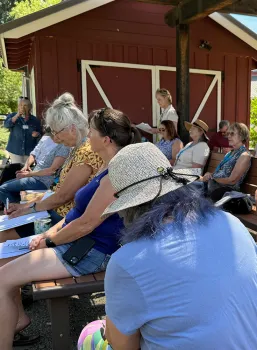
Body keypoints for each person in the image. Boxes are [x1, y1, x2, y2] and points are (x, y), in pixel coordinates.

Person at [77, 142, 257, 350]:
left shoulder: (129, 261)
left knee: (90, 335)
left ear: (127, 207)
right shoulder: (230, 223)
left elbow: (123, 346)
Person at [0, 107, 141, 349]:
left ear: (106, 139)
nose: (89, 135)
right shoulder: (107, 166)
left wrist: (49, 241)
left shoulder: (115, 174)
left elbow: (86, 224)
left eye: (93, 131)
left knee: (3, 277)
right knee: (4, 267)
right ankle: (15, 321)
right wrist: (48, 233)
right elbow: (77, 213)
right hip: (78, 243)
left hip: (92, 252)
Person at [3, 92, 103, 241]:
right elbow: (57, 191)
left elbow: (62, 196)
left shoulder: (87, 152)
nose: (55, 139)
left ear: (72, 128)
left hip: (62, 221)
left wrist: (29, 208)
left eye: (57, 133)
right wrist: (24, 207)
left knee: (5, 237)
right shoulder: (76, 149)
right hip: (54, 215)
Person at [200, 122, 251, 201]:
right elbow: (219, 172)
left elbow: (232, 180)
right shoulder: (229, 153)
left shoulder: (244, 155)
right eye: (228, 134)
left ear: (241, 136)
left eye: (232, 134)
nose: (228, 136)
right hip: (214, 186)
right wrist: (209, 174)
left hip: (226, 192)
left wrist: (212, 178)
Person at [4, 97, 41, 164]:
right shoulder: (13, 116)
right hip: (15, 150)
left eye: (25, 105)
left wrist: (37, 134)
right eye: (20, 105)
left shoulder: (35, 120)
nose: (22, 107)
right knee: (17, 169)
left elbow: (40, 134)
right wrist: (17, 115)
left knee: (26, 171)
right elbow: (6, 125)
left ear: (29, 108)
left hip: (29, 150)